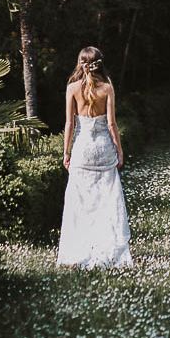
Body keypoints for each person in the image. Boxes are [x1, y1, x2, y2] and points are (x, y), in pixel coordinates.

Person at [56, 46, 133, 269]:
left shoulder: (72, 88)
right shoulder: (107, 88)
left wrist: (66, 151)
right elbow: (111, 124)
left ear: (80, 63)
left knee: (80, 199)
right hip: (102, 149)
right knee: (107, 198)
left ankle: (78, 250)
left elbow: (69, 123)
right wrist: (119, 149)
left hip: (82, 150)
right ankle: (108, 249)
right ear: (100, 63)